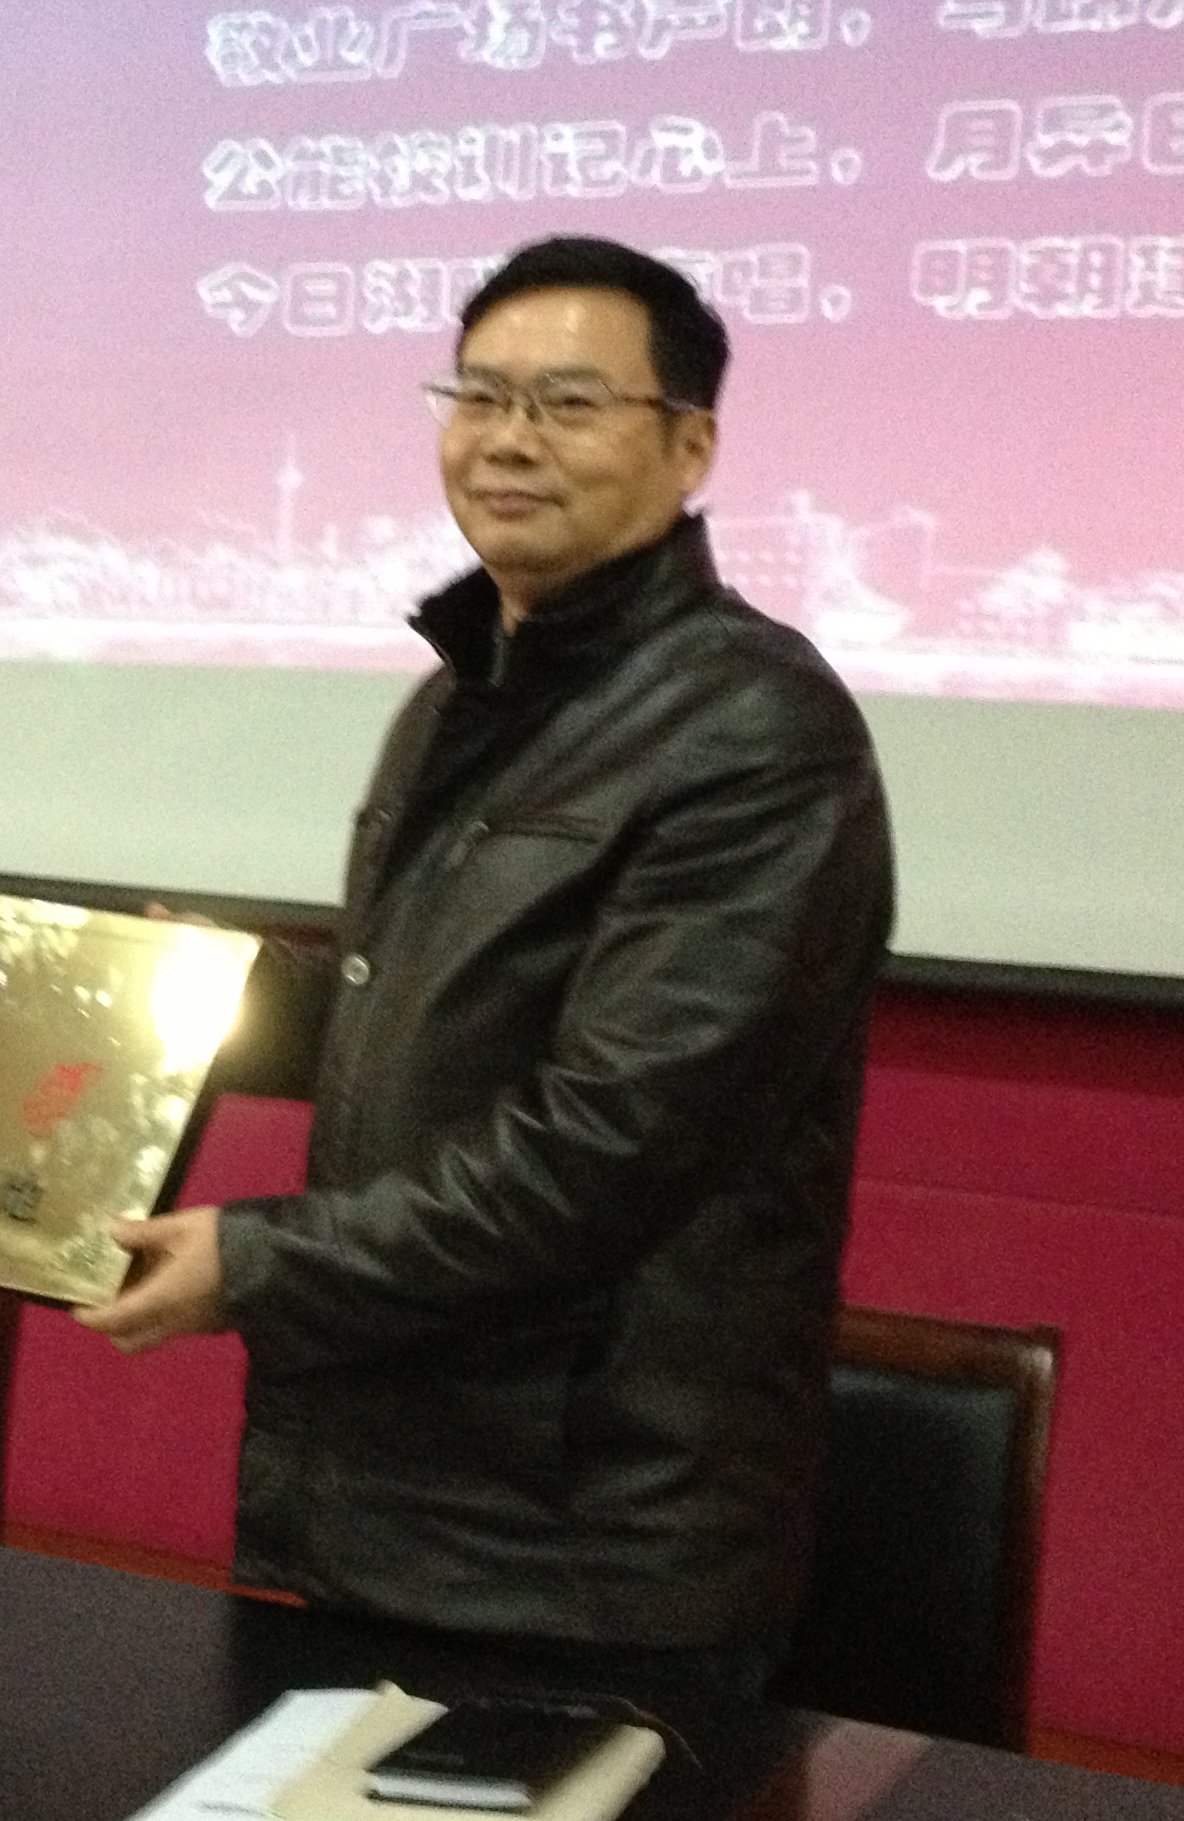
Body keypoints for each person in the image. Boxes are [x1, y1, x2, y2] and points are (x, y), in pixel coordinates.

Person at [78, 236, 895, 1667]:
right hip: (379, 1492)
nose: (509, 440)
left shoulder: (754, 730)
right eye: (480, 396)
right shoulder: (459, 697)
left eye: (569, 404)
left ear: (690, 446)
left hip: (582, 1547)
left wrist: (258, 1264)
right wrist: (178, 991)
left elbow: (611, 1145)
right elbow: (425, 1016)